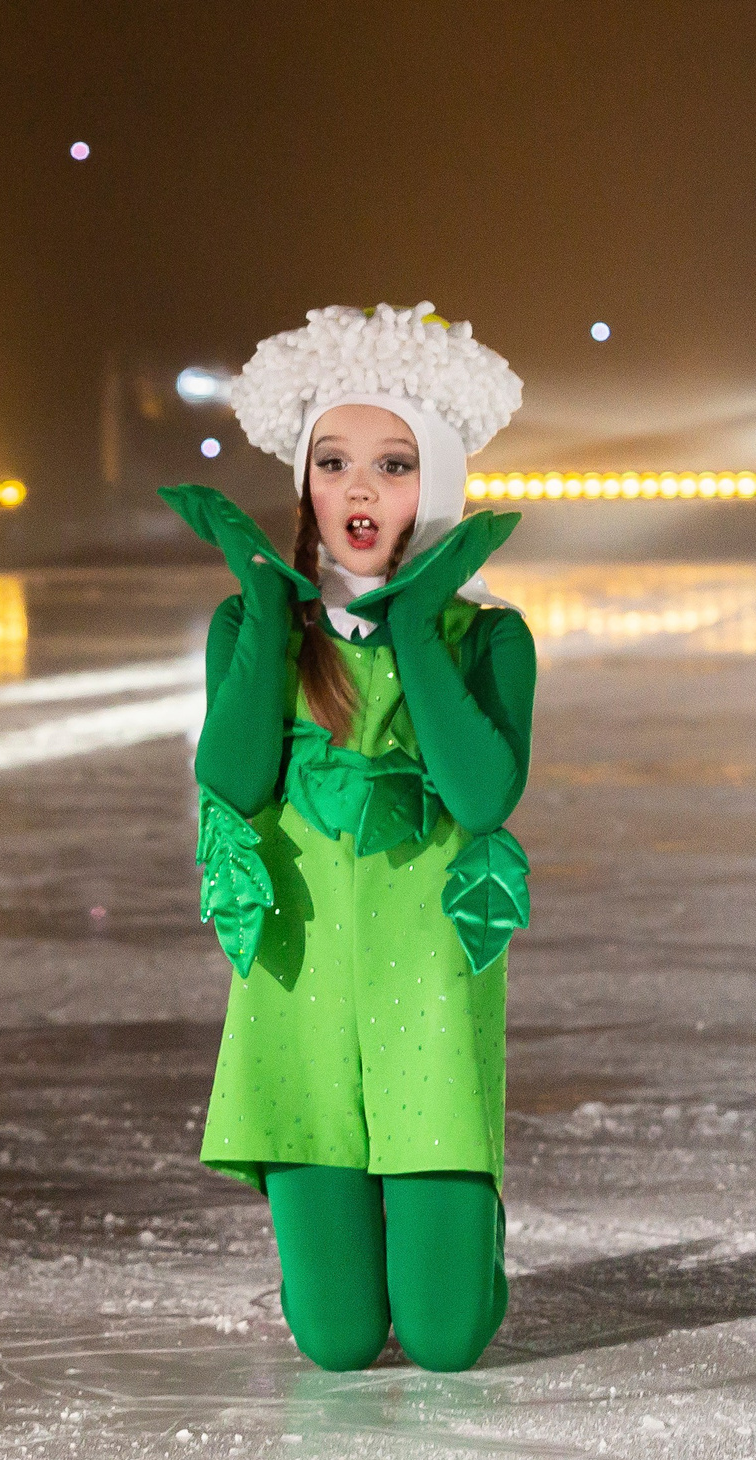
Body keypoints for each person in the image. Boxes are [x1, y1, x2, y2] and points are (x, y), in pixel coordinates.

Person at [161, 302, 533, 1374]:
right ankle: (343, 1238)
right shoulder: (257, 629)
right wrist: (268, 610)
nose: (358, 490)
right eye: (332, 462)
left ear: (443, 482)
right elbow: (229, 777)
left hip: (427, 992)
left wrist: (415, 620)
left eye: (392, 463)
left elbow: (479, 798)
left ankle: (455, 1240)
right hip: (300, 995)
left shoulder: (489, 638)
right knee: (333, 1343)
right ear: (304, 483)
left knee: (447, 1339)